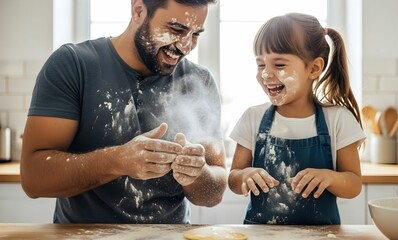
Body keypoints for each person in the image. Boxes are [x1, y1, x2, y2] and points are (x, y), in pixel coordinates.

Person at [20, 0, 227, 224]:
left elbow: (213, 194)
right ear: (138, 10)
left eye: (195, 34)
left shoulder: (199, 81)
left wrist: (197, 173)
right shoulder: (73, 65)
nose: (186, 47)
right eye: (176, 29)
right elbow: (33, 178)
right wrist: (118, 161)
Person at [228, 12, 365, 225]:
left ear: (314, 68)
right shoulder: (252, 118)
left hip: (321, 237)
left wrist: (330, 177)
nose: (265, 74)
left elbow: (354, 184)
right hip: (262, 236)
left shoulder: (338, 120)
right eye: (261, 64)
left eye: (279, 65)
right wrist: (245, 175)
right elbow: (233, 178)